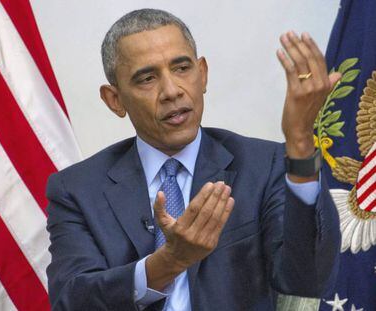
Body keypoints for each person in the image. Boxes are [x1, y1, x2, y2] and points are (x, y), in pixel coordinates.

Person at [46, 8, 341, 311]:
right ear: (115, 100)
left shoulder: (265, 166)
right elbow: (72, 300)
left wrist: (301, 143)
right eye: (147, 78)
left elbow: (307, 279)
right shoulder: (77, 189)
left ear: (203, 74)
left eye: (182, 68)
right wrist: (167, 263)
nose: (172, 91)